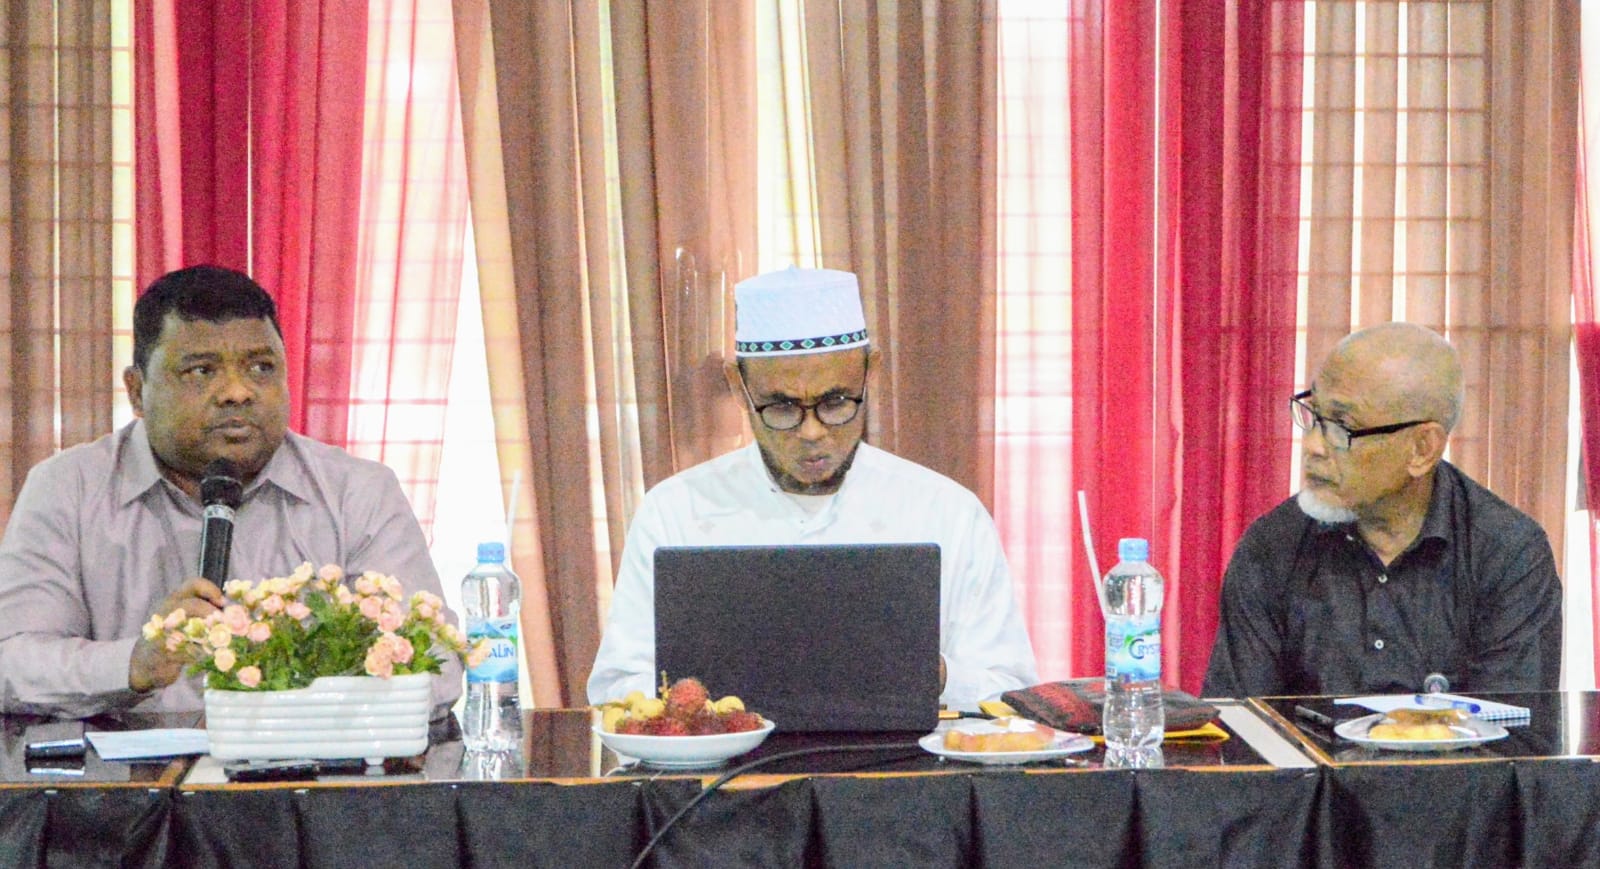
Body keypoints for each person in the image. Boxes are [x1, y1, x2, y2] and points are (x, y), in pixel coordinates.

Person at [0, 265, 462, 718]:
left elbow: (437, 665)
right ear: (137, 391)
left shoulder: (357, 492)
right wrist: (133, 663)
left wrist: (295, 693)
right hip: (123, 767)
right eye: (201, 371)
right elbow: (12, 661)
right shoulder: (68, 489)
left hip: (310, 764)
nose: (237, 392)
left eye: (261, 367)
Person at [587, 266, 1038, 711]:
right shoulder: (675, 511)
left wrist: (924, 672)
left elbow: (1008, 692)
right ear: (739, 387)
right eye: (782, 407)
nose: (812, 432)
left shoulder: (947, 512)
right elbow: (617, 689)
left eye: (835, 402)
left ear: (871, 373)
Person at [1202, 322, 1562, 698]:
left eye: (1342, 427)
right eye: (1314, 415)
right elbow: (1240, 722)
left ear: (1422, 449)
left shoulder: (1507, 555)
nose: (1313, 446)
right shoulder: (1272, 548)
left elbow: (1512, 725)